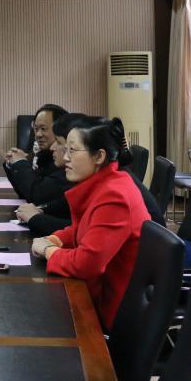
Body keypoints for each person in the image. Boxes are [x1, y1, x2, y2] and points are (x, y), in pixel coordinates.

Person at [31, 118, 151, 331]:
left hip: (113, 313)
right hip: (96, 295)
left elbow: (86, 264)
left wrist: (49, 251)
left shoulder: (115, 196)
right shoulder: (104, 183)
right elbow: (83, 230)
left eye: (72, 150)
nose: (65, 158)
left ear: (99, 156)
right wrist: (54, 239)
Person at [18, 114, 166, 236]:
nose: (53, 147)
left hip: (148, 257)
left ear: (98, 155)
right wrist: (42, 211)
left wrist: (37, 220)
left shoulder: (114, 191)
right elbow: (70, 211)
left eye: (71, 148)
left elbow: (86, 239)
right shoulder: (99, 175)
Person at [4, 104, 69, 204]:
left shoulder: (64, 163)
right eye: (36, 129)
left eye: (43, 129)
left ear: (60, 129)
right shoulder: (43, 155)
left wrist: (21, 163)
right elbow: (25, 193)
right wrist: (13, 163)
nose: (38, 134)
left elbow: (37, 195)